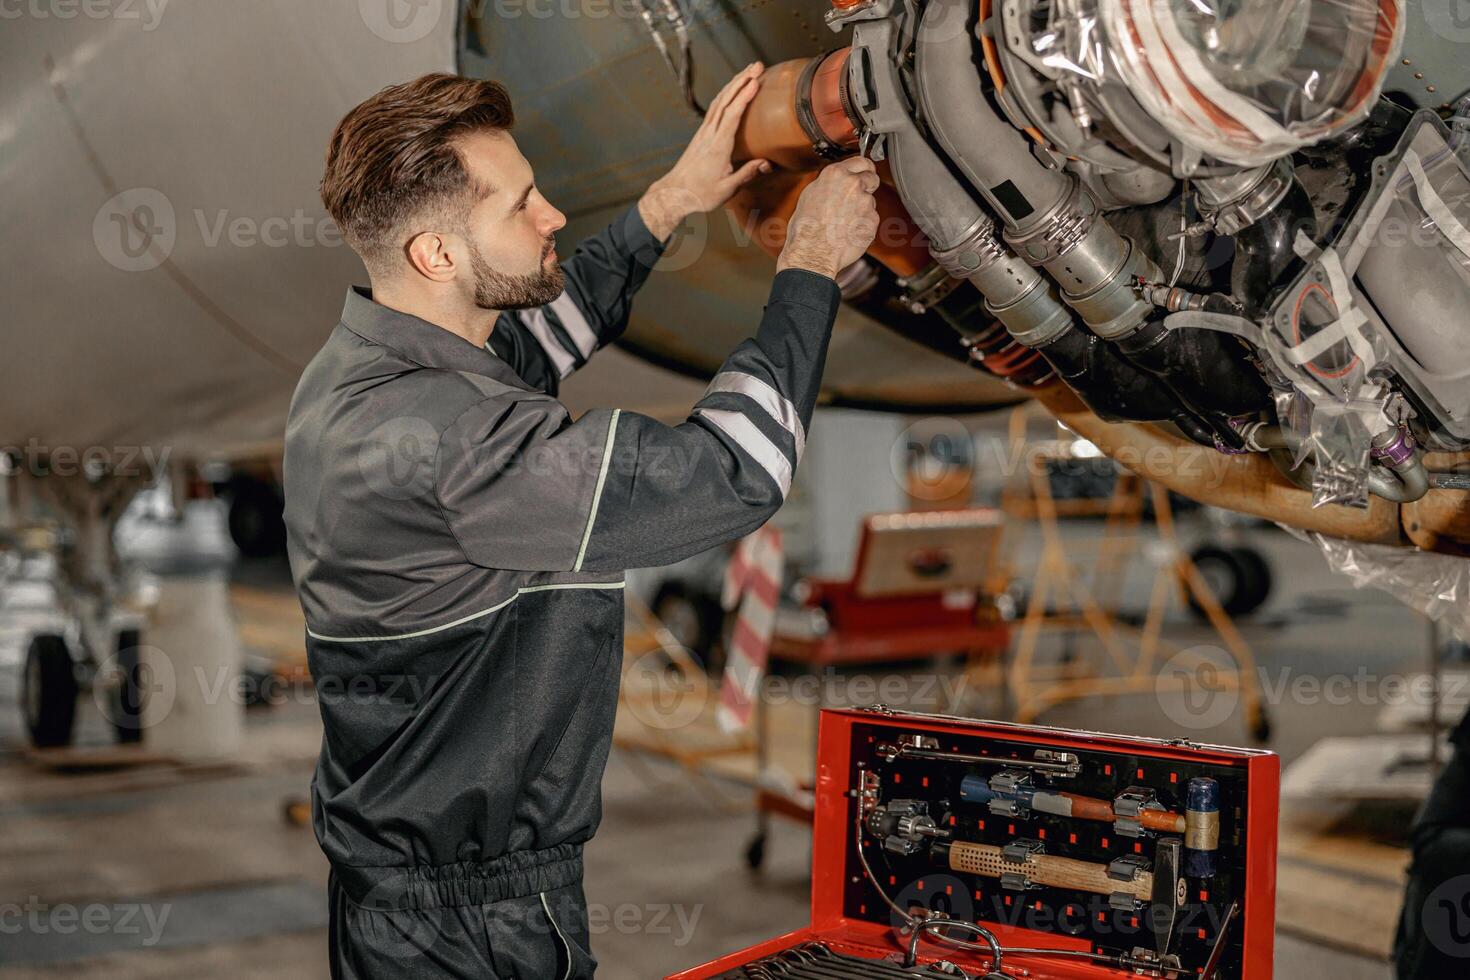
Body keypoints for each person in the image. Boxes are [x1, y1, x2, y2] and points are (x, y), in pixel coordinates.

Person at [283, 65, 879, 979]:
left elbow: (547, 330)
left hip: (403, 894)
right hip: (476, 926)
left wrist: (670, 202)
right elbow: (732, 472)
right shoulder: (462, 442)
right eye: (522, 203)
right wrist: (809, 267)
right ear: (438, 255)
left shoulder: (368, 369)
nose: (552, 214)